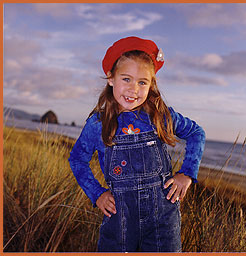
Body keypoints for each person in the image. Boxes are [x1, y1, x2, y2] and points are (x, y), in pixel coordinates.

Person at [68, 36, 205, 252]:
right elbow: (77, 159)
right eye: (126, 79)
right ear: (111, 78)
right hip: (119, 220)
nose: (134, 89)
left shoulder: (160, 116)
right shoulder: (98, 123)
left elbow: (196, 133)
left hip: (163, 222)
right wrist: (97, 193)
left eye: (142, 82)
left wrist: (187, 173)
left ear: (151, 85)